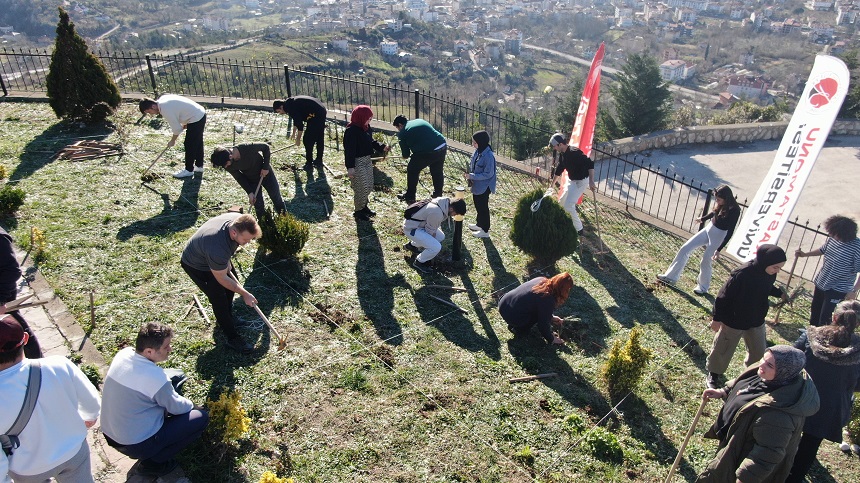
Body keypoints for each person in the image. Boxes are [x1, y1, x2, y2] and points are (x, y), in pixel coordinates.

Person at [697, 345, 820, 483]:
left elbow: (767, 454)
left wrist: (745, 478)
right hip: (735, 440)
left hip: (741, 459)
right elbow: (745, 381)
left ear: (783, 372)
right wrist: (724, 391)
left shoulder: (778, 415)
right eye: (763, 358)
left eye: (769, 365)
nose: (761, 364)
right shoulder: (769, 375)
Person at [101, 322, 209, 478]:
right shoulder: (155, 379)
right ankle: (153, 463)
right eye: (166, 347)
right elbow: (178, 407)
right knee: (200, 418)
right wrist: (195, 406)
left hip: (110, 434)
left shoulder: (124, 354)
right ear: (149, 351)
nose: (170, 349)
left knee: (171, 380)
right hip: (135, 444)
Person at [0, 316, 101, 482]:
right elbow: (91, 401)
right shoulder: (58, 365)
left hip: (27, 468)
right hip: (73, 451)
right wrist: (89, 417)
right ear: (25, 338)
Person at [785, 300, 860, 482]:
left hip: (798, 397)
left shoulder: (812, 336)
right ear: (857, 324)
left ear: (834, 316)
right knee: (809, 447)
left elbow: (789, 361)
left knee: (784, 436)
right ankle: (794, 478)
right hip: (829, 408)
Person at [705, 244, 788, 390]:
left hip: (756, 320)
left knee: (758, 351)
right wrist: (717, 319)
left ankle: (751, 375)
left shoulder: (769, 273)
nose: (777, 271)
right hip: (734, 320)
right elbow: (723, 296)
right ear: (765, 262)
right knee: (723, 349)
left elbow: (767, 287)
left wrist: (779, 293)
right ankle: (714, 374)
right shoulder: (742, 274)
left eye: (779, 268)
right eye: (776, 267)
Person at [180, 213, 260, 353]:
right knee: (219, 298)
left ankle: (228, 317)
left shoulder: (237, 220)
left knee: (231, 288)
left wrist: (227, 261)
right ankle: (232, 338)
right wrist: (244, 294)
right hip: (197, 265)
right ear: (234, 232)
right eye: (246, 239)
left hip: (214, 257)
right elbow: (222, 279)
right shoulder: (217, 247)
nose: (248, 243)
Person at [657, 185, 741, 295]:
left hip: (719, 235)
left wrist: (719, 249)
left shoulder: (735, 210)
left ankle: (703, 287)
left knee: (705, 261)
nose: (717, 201)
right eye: (716, 199)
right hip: (708, 229)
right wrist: (702, 219)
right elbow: (714, 212)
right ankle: (670, 277)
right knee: (685, 248)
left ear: (727, 198)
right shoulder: (721, 204)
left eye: (719, 199)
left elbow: (730, 231)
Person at [795, 215, 860, 326]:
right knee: (815, 310)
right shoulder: (833, 239)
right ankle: (811, 332)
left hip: (838, 288)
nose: (830, 234)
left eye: (833, 233)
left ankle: (822, 337)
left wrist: (853, 290)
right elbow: (823, 250)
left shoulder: (856, 247)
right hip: (822, 281)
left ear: (842, 234)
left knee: (826, 317)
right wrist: (805, 255)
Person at [210, 144, 286, 219]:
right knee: (258, 205)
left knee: (276, 198)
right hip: (252, 180)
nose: (225, 167)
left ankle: (285, 219)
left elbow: (265, 147)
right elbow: (239, 178)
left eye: (225, 164)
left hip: (266, 175)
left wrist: (265, 167)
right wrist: (250, 192)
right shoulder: (228, 165)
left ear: (230, 156)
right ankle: (264, 225)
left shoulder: (246, 148)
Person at [139, 95, 207, 179]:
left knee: (189, 143)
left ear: (153, 106)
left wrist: (172, 141)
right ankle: (199, 166)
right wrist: (186, 121)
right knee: (197, 141)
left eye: (149, 112)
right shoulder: (162, 99)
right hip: (198, 113)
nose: (151, 114)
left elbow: (177, 129)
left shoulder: (165, 110)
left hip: (196, 117)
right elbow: (179, 108)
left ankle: (189, 170)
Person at [498, 273, 573, 345]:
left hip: (504, 303)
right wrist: (552, 339)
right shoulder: (548, 298)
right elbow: (543, 324)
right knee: (536, 316)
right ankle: (518, 329)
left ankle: (516, 321)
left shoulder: (541, 279)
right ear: (563, 289)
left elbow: (535, 303)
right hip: (511, 315)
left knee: (534, 309)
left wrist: (551, 317)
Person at [0, 227, 41, 358]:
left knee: (16, 330)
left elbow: (12, 271)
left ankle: (38, 365)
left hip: (3, 296)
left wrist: (0, 300)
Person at [343, 105, 389, 221]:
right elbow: (349, 150)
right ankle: (358, 211)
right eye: (368, 118)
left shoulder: (366, 127)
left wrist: (382, 146)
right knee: (361, 187)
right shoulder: (352, 131)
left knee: (369, 185)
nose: (370, 121)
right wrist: (350, 167)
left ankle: (364, 207)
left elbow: (370, 141)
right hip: (357, 162)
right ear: (361, 117)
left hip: (367, 160)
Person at [403, 197, 467, 273]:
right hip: (412, 228)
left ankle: (412, 246)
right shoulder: (437, 213)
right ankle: (419, 262)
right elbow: (430, 232)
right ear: (451, 209)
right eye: (455, 213)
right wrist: (432, 247)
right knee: (436, 247)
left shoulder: (444, 203)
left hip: (420, 225)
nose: (454, 215)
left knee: (440, 237)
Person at [392, 115, 447, 204]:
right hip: (442, 145)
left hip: (428, 152)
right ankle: (438, 195)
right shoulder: (419, 121)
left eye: (397, 128)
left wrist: (405, 155)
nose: (398, 130)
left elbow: (406, 154)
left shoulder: (403, 133)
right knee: (437, 171)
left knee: (412, 169)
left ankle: (410, 196)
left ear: (400, 125)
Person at [548, 133, 595, 235]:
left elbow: (590, 163)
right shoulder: (563, 155)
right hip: (572, 181)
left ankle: (579, 230)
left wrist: (591, 180)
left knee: (569, 205)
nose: (554, 148)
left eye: (555, 146)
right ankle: (563, 223)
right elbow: (559, 169)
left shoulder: (575, 152)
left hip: (581, 182)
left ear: (560, 144)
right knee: (561, 203)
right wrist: (551, 185)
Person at [273, 96, 328, 169]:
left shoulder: (290, 107)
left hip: (316, 114)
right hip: (320, 110)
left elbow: (300, 126)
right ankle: (318, 160)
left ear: (281, 106)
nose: (280, 113)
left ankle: (309, 163)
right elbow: (297, 120)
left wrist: (298, 139)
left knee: (307, 140)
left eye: (279, 111)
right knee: (319, 137)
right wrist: (293, 133)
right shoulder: (290, 104)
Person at [463, 130, 497, 238]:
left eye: (475, 142)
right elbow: (472, 162)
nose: (473, 144)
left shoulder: (489, 156)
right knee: (477, 205)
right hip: (477, 184)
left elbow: (488, 174)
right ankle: (479, 224)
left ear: (481, 142)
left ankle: (485, 230)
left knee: (483, 208)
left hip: (484, 186)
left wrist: (472, 176)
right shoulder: (478, 151)